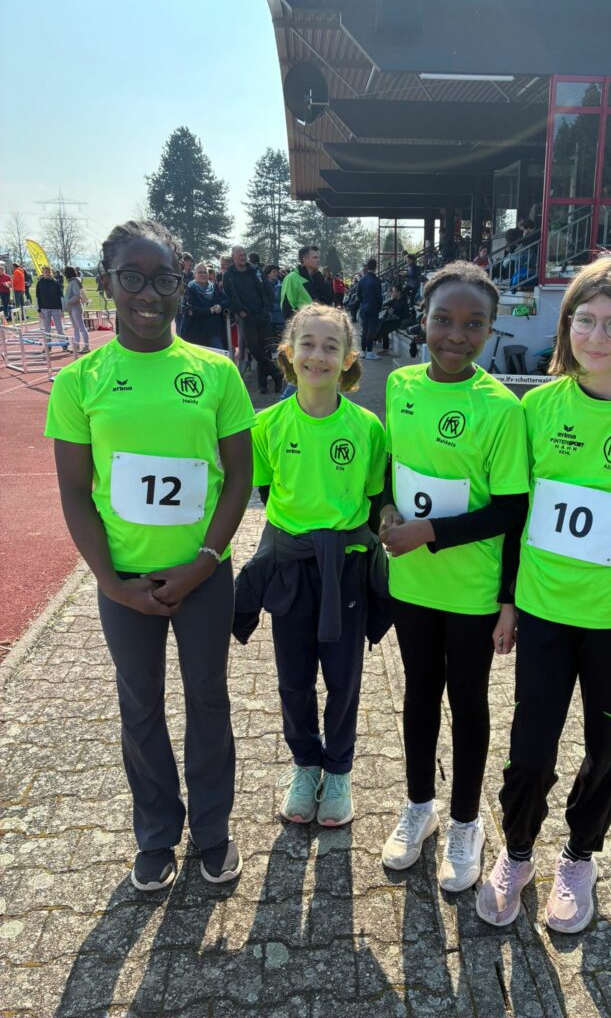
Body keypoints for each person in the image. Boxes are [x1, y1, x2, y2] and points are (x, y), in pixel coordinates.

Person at [476, 253, 611, 933]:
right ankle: (517, 853)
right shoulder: (536, 409)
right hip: (543, 614)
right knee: (530, 749)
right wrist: (510, 599)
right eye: (584, 320)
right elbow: (516, 514)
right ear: (566, 324)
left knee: (608, 746)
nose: (595, 337)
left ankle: (580, 856)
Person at [44, 219, 255, 892]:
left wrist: (205, 561)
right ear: (107, 283)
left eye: (164, 279)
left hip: (203, 575)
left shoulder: (215, 372)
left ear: (181, 283)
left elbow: (239, 478)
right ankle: (156, 834)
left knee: (208, 700)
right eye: (131, 278)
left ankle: (213, 832)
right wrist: (110, 583)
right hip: (124, 583)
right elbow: (74, 491)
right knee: (140, 707)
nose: (148, 294)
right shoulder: (80, 381)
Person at [379, 261, 530, 893]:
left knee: (468, 703)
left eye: (474, 324)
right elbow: (392, 467)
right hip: (412, 585)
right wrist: (385, 511)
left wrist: (432, 534)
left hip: (470, 592)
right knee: (419, 695)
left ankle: (466, 821)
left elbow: (510, 510)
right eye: (443, 319)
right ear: (423, 319)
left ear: (491, 330)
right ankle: (420, 806)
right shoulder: (400, 385)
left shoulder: (501, 408)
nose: (455, 335)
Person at [231, 303, 389, 827]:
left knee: (343, 678)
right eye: (308, 344)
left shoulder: (367, 428)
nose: (317, 356)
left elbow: (372, 500)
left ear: (349, 359)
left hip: (345, 569)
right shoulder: (267, 424)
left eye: (330, 346)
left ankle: (338, 770)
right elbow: (266, 492)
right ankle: (305, 764)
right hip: (291, 568)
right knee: (294, 679)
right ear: (288, 352)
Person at [223, 245, 282, 395]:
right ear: (233, 257)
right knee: (255, 350)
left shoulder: (255, 270)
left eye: (244, 254)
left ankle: (263, 385)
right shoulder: (228, 275)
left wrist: (267, 308)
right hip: (246, 317)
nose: (242, 257)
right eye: (239, 255)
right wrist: (240, 311)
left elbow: (268, 289)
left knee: (266, 349)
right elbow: (228, 296)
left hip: (262, 315)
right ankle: (276, 373)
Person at [179, 262, 228, 350]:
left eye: (205, 272)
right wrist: (210, 310)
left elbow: (225, 300)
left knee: (219, 353)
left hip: (213, 331)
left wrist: (220, 306)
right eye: (200, 272)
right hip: (195, 333)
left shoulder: (214, 286)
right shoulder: (190, 288)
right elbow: (190, 309)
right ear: (195, 275)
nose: (203, 274)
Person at [280, 245, 332, 321]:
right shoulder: (292, 277)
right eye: (315, 257)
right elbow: (287, 306)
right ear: (305, 259)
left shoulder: (318, 277)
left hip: (320, 323)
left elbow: (328, 300)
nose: (318, 260)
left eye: (319, 257)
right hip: (303, 324)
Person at [357, 257, 383, 360]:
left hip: (364, 306)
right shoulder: (377, 280)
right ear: (375, 267)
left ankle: (363, 351)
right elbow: (379, 296)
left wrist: (363, 301)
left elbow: (358, 294)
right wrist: (379, 306)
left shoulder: (362, 280)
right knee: (371, 330)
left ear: (367, 267)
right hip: (373, 307)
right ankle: (369, 351)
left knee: (364, 329)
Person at [62, 266, 91, 353]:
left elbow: (78, 296)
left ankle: (86, 346)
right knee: (75, 328)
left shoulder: (74, 282)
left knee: (81, 327)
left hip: (76, 307)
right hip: (71, 308)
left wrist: (68, 301)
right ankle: (77, 346)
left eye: (65, 273)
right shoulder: (72, 282)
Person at [375, 284, 410, 354]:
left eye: (394, 291)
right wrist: (390, 299)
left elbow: (405, 315)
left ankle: (375, 338)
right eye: (392, 291)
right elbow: (384, 305)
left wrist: (394, 312)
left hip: (400, 321)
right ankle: (384, 348)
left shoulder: (403, 301)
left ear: (399, 292)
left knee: (383, 324)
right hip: (392, 319)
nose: (393, 293)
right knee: (383, 325)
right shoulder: (394, 300)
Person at [35, 265, 65, 338]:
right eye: (45, 272)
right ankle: (48, 344)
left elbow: (61, 296)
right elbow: (37, 297)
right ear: (42, 272)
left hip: (56, 308)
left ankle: (64, 343)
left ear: (51, 272)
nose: (47, 273)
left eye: (49, 272)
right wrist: (39, 311)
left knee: (59, 328)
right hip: (44, 309)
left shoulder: (56, 282)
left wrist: (62, 310)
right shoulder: (39, 283)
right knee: (47, 329)